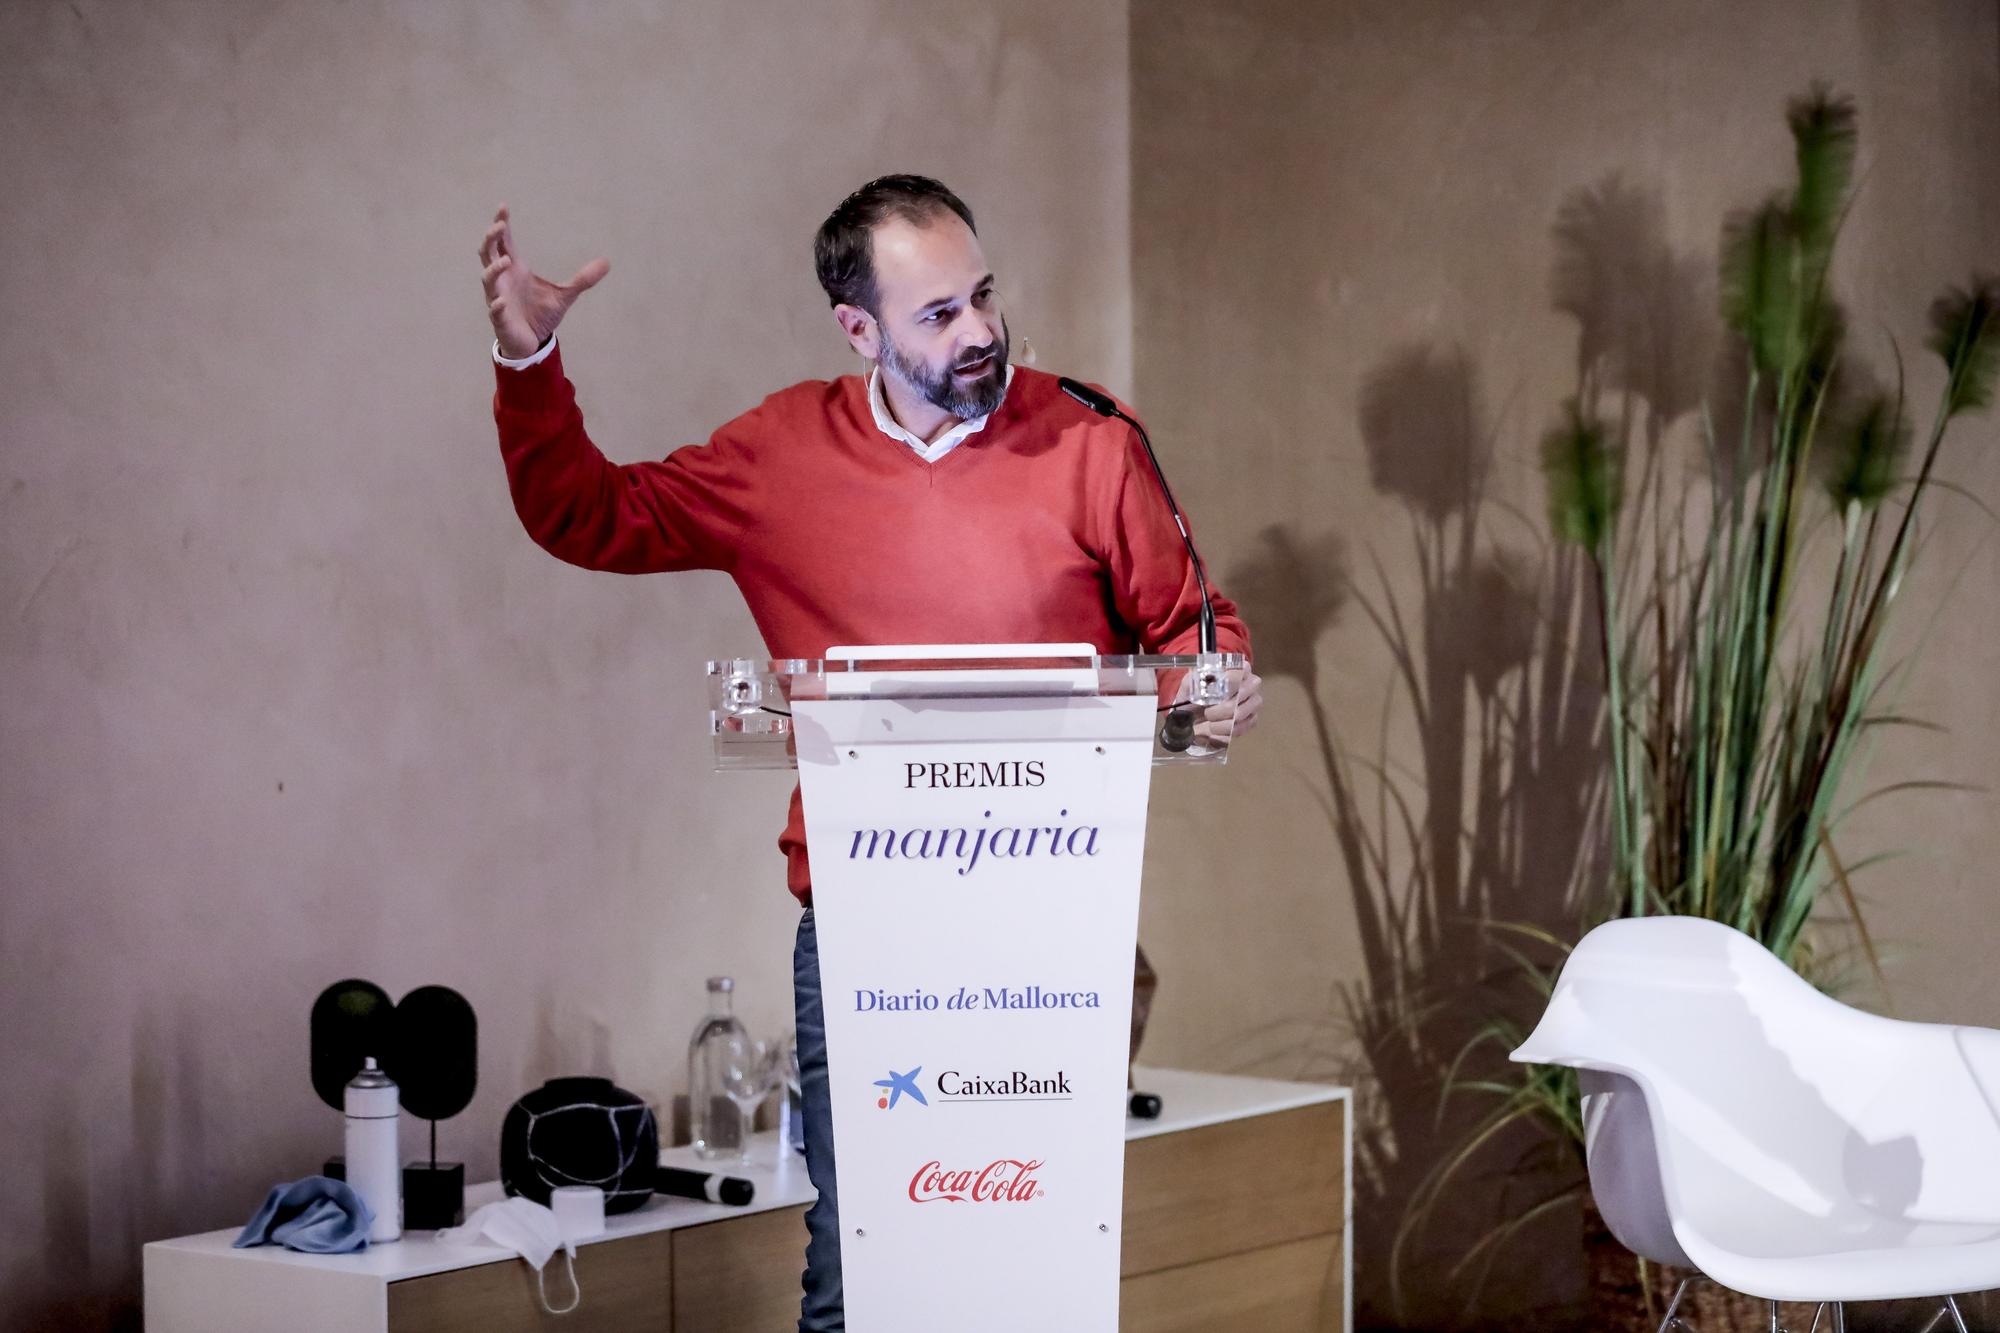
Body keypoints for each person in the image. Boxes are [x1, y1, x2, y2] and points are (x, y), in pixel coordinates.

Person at [476, 174, 1261, 1332]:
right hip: (863, 928)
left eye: (982, 295)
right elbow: (585, 513)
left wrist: (1215, 688)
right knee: (863, 1272)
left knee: (1025, 1271)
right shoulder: (779, 455)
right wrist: (530, 366)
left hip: (1056, 920)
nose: (980, 330)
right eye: (937, 313)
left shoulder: (1088, 442)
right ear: (859, 329)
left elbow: (1197, 636)